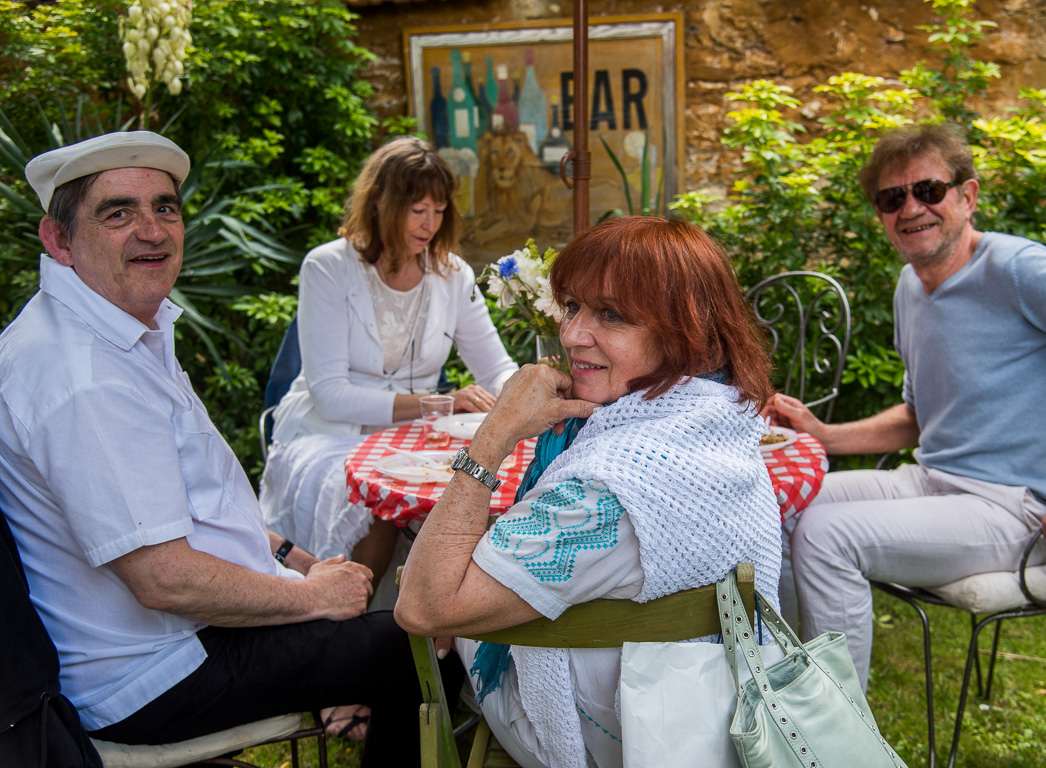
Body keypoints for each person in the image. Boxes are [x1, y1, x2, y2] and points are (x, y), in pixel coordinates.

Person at [0, 131, 435, 766]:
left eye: (165, 208)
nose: (152, 230)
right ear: (59, 240)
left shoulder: (110, 326)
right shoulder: (83, 377)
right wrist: (313, 597)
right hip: (153, 674)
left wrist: (291, 554)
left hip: (167, 640)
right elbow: (163, 579)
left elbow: (195, 503)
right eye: (117, 211)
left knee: (388, 626)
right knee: (417, 644)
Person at [768, 123, 1046, 691]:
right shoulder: (909, 285)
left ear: (967, 197)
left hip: (1026, 510)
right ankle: (793, 692)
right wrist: (823, 434)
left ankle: (834, 738)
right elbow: (920, 419)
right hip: (938, 483)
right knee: (774, 502)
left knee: (827, 534)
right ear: (880, 214)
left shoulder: (1017, 268)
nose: (912, 209)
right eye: (893, 198)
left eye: (929, 190)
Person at [395, 216, 783, 768]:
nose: (574, 333)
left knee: (424, 580)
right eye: (572, 306)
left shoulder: (607, 493)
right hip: (708, 714)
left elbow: (423, 605)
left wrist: (495, 433)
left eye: (612, 315)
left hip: (602, 739)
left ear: (685, 328)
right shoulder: (716, 419)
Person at [260, 136, 518, 594]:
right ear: (381, 202)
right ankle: (348, 618)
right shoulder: (328, 268)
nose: (431, 225)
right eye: (418, 210)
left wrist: (530, 391)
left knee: (478, 492)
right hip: (327, 433)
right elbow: (331, 396)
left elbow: (495, 366)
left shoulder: (452, 273)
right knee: (378, 511)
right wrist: (440, 402)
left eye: (439, 211)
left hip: (416, 436)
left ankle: (448, 629)